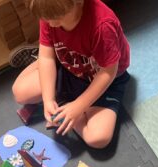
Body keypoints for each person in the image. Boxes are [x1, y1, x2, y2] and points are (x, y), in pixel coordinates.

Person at [11, 0, 130, 149]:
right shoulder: (50, 13)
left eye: (58, 19)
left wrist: (78, 107)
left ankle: (66, 104)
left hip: (103, 80)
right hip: (68, 66)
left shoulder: (101, 25)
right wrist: (48, 99)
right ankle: (41, 60)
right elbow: (47, 57)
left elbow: (108, 72)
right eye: (47, 20)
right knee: (20, 93)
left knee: (98, 139)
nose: (52, 24)